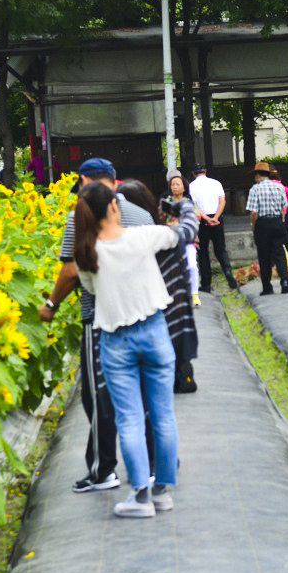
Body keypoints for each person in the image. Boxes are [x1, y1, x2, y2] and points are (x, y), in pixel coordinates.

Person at [40, 158, 181, 494]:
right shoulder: (142, 216)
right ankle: (153, 471)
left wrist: (51, 305)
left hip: (102, 320)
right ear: (115, 182)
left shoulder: (82, 215)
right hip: (148, 316)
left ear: (85, 181)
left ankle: (103, 470)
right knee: (152, 405)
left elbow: (74, 272)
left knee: (101, 400)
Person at [73, 182, 181, 518]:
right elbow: (179, 235)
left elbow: (90, 290)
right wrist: (182, 212)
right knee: (163, 415)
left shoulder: (86, 253)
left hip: (115, 340)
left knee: (130, 418)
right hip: (155, 332)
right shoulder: (142, 236)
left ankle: (140, 495)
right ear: (115, 208)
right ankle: (163, 491)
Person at [116, 180, 199, 394]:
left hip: (137, 321)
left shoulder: (116, 244)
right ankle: (179, 371)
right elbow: (191, 225)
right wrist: (179, 206)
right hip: (173, 315)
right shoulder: (165, 237)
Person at [189, 163, 238, 293]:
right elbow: (223, 201)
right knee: (221, 249)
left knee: (203, 252)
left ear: (193, 174)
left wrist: (206, 218)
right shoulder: (216, 183)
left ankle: (206, 284)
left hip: (202, 220)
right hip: (217, 219)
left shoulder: (191, 186)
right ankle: (228, 273)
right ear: (205, 171)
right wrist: (215, 217)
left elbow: (194, 206)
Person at [246, 161, 288, 295]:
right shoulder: (279, 187)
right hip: (277, 222)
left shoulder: (255, 189)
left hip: (263, 224)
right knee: (279, 254)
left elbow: (254, 212)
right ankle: (284, 281)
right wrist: (281, 221)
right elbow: (284, 207)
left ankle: (267, 286)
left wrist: (254, 225)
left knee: (264, 256)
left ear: (258, 175)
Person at [163, 170, 201, 306]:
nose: (175, 187)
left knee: (192, 265)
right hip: (172, 239)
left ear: (184, 187)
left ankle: (195, 294)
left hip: (188, 240)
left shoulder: (189, 203)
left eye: (177, 184)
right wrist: (170, 224)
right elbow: (162, 220)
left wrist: (180, 224)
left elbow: (197, 218)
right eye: (172, 185)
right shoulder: (167, 202)